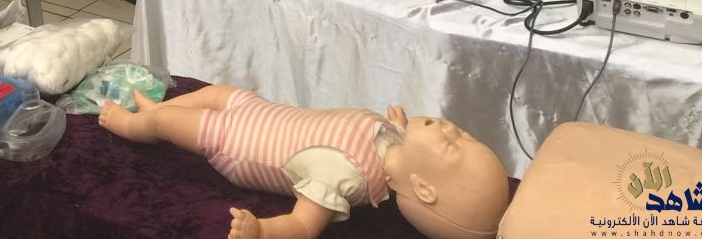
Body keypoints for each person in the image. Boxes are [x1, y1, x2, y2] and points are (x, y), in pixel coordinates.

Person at [99, 86, 511, 239]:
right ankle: (155, 111)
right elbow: (397, 142)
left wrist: (261, 231)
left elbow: (302, 226)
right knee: (216, 93)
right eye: (465, 133)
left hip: (238, 142)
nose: (452, 129)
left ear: (422, 188)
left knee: (172, 124)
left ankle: (130, 124)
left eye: (453, 144)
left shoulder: (345, 175)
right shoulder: (396, 141)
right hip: (262, 111)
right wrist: (402, 128)